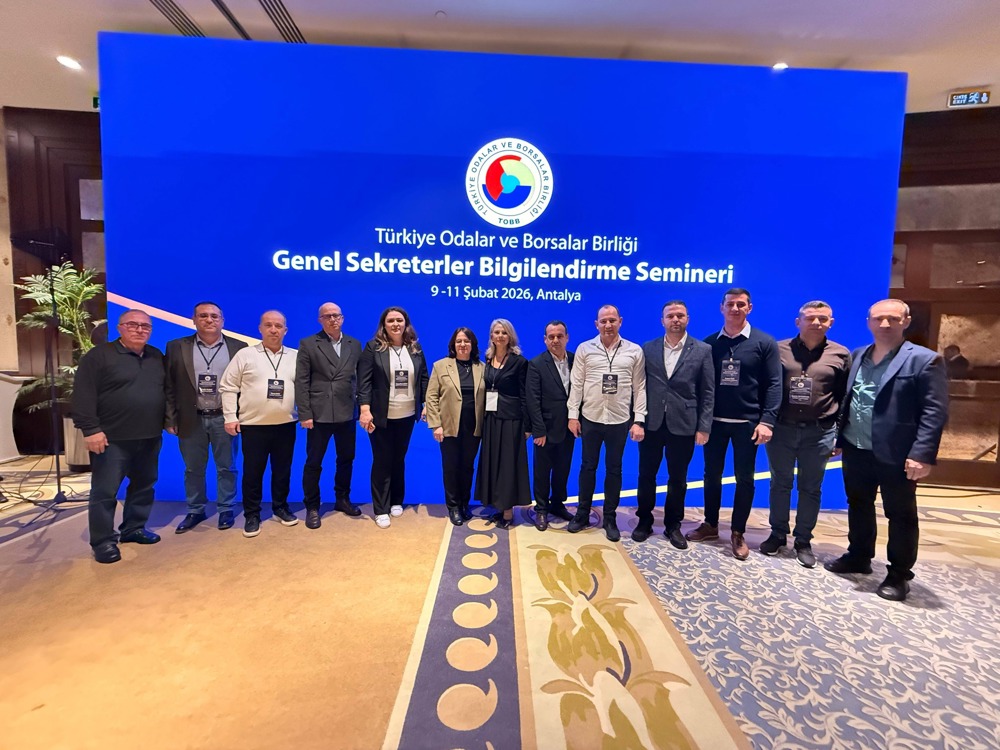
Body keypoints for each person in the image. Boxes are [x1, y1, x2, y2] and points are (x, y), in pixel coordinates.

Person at [825, 299, 948, 601]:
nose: (885, 324)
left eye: (892, 319)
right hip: (856, 446)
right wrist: (838, 438)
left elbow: (934, 412)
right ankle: (859, 556)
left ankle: (899, 574)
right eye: (878, 318)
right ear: (869, 322)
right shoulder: (858, 355)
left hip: (898, 453)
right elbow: (850, 400)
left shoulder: (925, 360)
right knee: (858, 504)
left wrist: (922, 454)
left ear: (906, 321)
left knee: (901, 514)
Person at [688, 287, 782, 560]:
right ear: (722, 308)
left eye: (741, 304)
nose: (735, 309)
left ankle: (738, 531)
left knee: (745, 478)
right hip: (714, 422)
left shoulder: (764, 342)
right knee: (711, 475)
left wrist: (767, 421)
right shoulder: (710, 344)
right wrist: (700, 422)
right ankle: (710, 524)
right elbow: (702, 386)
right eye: (730, 304)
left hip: (748, 424)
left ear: (749, 308)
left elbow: (774, 384)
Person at [760, 301, 851, 567]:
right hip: (782, 429)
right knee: (780, 483)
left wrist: (839, 433)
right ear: (797, 321)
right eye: (810, 318)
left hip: (820, 432)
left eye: (822, 319)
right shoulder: (778, 349)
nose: (816, 323)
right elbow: (767, 388)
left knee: (811, 488)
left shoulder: (841, 354)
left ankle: (803, 540)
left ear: (831, 323)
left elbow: (845, 396)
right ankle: (778, 534)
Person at [72, 309, 166, 564]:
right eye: (133, 325)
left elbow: (164, 392)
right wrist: (90, 429)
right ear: (120, 327)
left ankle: (133, 528)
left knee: (144, 486)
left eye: (145, 326)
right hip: (111, 439)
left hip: (149, 436)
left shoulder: (156, 356)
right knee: (105, 491)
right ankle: (103, 541)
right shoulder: (99, 356)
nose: (139, 330)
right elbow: (83, 394)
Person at [634, 300, 714, 548]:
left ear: (688, 318)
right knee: (646, 475)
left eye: (680, 315)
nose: (675, 319)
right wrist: (637, 420)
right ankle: (644, 521)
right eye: (670, 316)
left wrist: (704, 426)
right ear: (663, 321)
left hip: (684, 424)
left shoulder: (703, 350)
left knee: (678, 478)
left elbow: (708, 391)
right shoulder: (648, 348)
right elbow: (639, 386)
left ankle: (673, 525)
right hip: (652, 423)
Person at [165, 301, 247, 533]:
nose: (209, 320)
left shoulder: (238, 347)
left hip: (225, 418)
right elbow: (169, 385)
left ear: (222, 321)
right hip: (190, 418)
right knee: (193, 469)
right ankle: (195, 509)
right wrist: (170, 418)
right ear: (194, 320)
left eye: (214, 316)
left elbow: (245, 385)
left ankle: (226, 508)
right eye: (203, 316)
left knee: (227, 467)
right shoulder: (176, 346)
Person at [567, 304, 647, 542]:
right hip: (590, 417)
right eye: (603, 321)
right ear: (596, 324)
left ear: (620, 321)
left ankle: (610, 518)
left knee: (614, 469)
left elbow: (640, 387)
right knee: (587, 467)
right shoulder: (585, 349)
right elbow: (576, 383)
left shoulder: (634, 351)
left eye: (612, 320)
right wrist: (573, 415)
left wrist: (639, 420)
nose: (608, 325)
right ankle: (582, 513)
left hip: (619, 419)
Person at [220, 310, 299, 538]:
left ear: (285, 330)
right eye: (268, 325)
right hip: (253, 426)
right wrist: (230, 417)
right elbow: (228, 387)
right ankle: (252, 514)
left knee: (282, 470)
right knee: (253, 472)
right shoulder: (245, 355)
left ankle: (280, 508)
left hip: (286, 424)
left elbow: (305, 388)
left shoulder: (295, 356)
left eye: (278, 326)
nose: (274, 330)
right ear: (260, 329)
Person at [358, 307, 428, 529]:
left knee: (399, 458)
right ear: (384, 325)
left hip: (407, 415)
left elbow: (423, 378)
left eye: (399, 320)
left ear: (406, 323)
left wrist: (426, 403)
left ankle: (397, 500)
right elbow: (364, 381)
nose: (395, 324)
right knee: (382, 460)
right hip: (381, 416)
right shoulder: (373, 347)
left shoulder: (415, 348)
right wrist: (365, 409)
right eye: (391, 321)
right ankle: (381, 509)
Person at [295, 302, 363, 529]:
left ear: (342, 318)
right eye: (327, 316)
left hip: (347, 412)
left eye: (336, 315)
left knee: (346, 459)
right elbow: (302, 381)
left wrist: (361, 408)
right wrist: (305, 413)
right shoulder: (308, 344)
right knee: (314, 462)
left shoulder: (354, 344)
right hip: (318, 414)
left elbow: (359, 379)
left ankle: (342, 499)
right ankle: (312, 506)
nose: (333, 319)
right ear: (320, 320)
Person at [425, 327, 486, 526]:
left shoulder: (482, 367)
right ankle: (453, 507)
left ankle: (464, 503)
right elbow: (431, 397)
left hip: (473, 426)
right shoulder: (440, 366)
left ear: (473, 344)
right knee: (451, 467)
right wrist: (436, 424)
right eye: (459, 341)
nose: (463, 345)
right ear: (453, 344)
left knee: (467, 467)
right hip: (448, 426)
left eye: (467, 341)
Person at [474, 319, 531, 529]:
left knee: (508, 465)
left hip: (511, 420)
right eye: (496, 332)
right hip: (491, 419)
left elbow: (525, 395)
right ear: (491, 336)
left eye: (504, 333)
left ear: (510, 336)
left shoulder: (519, 362)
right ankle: (497, 505)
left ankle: (508, 512)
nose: (500, 336)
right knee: (494, 463)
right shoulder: (488, 359)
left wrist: (527, 426)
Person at [525, 321, 577, 531]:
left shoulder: (576, 360)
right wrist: (538, 430)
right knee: (542, 471)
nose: (555, 340)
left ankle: (557, 504)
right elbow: (533, 400)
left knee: (563, 468)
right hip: (545, 429)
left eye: (559, 336)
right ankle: (541, 509)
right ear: (545, 340)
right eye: (551, 337)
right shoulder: (536, 364)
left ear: (567, 338)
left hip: (569, 427)